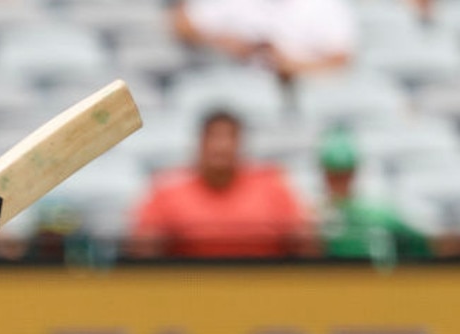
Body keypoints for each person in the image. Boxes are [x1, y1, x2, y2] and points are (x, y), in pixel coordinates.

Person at [127, 108, 315, 259]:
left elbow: (305, 244)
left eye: (229, 137)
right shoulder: (167, 191)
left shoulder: (273, 188)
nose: (222, 146)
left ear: (241, 144)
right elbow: (142, 250)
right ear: (200, 144)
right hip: (189, 290)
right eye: (214, 137)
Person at [314, 127, 434, 263]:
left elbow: (420, 245)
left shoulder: (381, 216)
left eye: (345, 174)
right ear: (324, 174)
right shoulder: (311, 219)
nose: (340, 181)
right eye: (333, 175)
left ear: (354, 172)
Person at [170, 0, 356, 82]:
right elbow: (181, 22)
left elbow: (341, 60)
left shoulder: (323, 5)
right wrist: (224, 42)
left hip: (298, 90)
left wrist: (289, 64)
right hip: (238, 85)